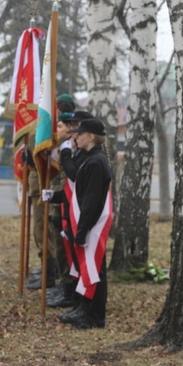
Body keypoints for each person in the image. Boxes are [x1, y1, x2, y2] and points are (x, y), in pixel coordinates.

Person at [42, 118, 111, 329]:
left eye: (79, 134)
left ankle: (94, 316)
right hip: (83, 221)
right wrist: (54, 196)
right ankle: (84, 308)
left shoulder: (96, 161)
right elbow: (78, 191)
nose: (75, 137)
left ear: (90, 137)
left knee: (94, 268)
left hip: (91, 223)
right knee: (85, 267)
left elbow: (90, 200)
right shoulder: (88, 158)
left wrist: (82, 230)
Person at [25, 94, 76, 290]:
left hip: (55, 188)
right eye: (58, 109)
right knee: (41, 231)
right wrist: (30, 159)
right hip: (40, 186)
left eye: (64, 110)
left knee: (52, 233)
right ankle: (47, 268)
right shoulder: (47, 127)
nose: (59, 113)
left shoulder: (66, 132)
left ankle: (52, 272)